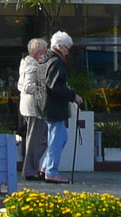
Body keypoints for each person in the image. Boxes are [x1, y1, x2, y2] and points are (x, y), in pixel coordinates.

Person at [41, 31, 83, 184]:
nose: (67, 51)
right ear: (59, 46)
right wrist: (73, 95)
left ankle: (46, 167)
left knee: (60, 137)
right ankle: (51, 171)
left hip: (47, 105)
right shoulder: (56, 61)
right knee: (57, 139)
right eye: (66, 48)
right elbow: (55, 87)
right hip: (54, 107)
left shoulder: (46, 59)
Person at [17, 38, 50, 179]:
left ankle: (31, 168)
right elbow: (27, 86)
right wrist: (45, 89)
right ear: (39, 53)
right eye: (45, 50)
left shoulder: (26, 64)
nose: (47, 53)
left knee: (37, 139)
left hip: (29, 107)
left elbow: (20, 85)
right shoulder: (34, 67)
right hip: (35, 108)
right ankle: (30, 171)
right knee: (37, 140)